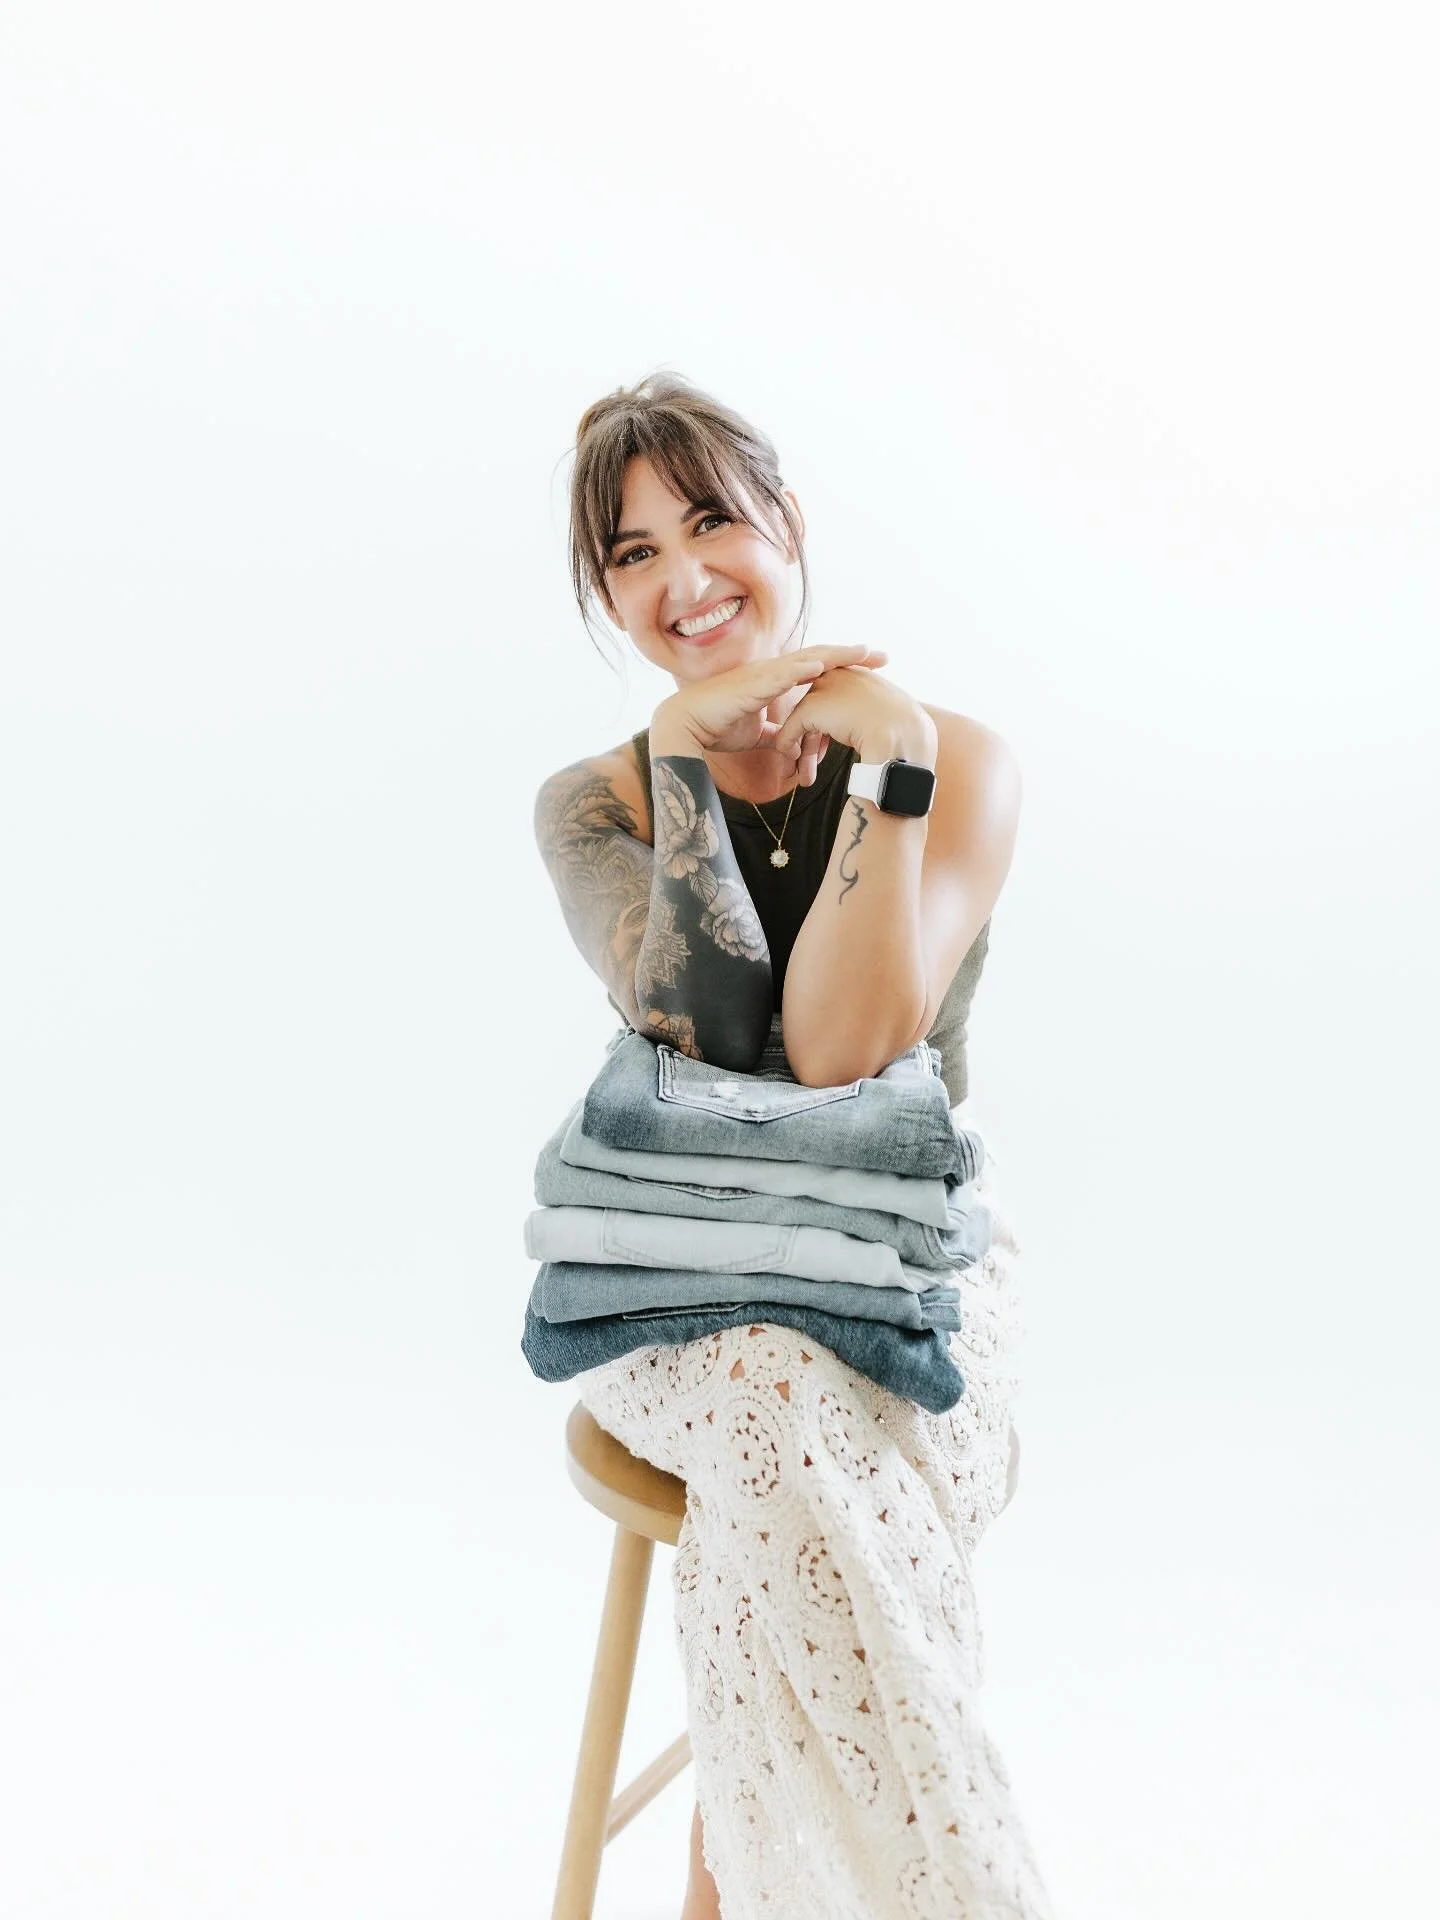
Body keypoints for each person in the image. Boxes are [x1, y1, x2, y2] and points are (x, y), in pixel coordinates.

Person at [533, 372, 1052, 1919]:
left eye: (711, 521)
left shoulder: (956, 760)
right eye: (633, 553)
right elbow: (709, 1027)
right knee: (773, 1380)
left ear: (787, 524)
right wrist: (686, 762)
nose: (686, 578)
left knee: (804, 1432)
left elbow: (843, 1049)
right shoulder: (594, 807)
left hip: (905, 1265)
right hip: (681, 1284)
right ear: (607, 596)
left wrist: (887, 776)